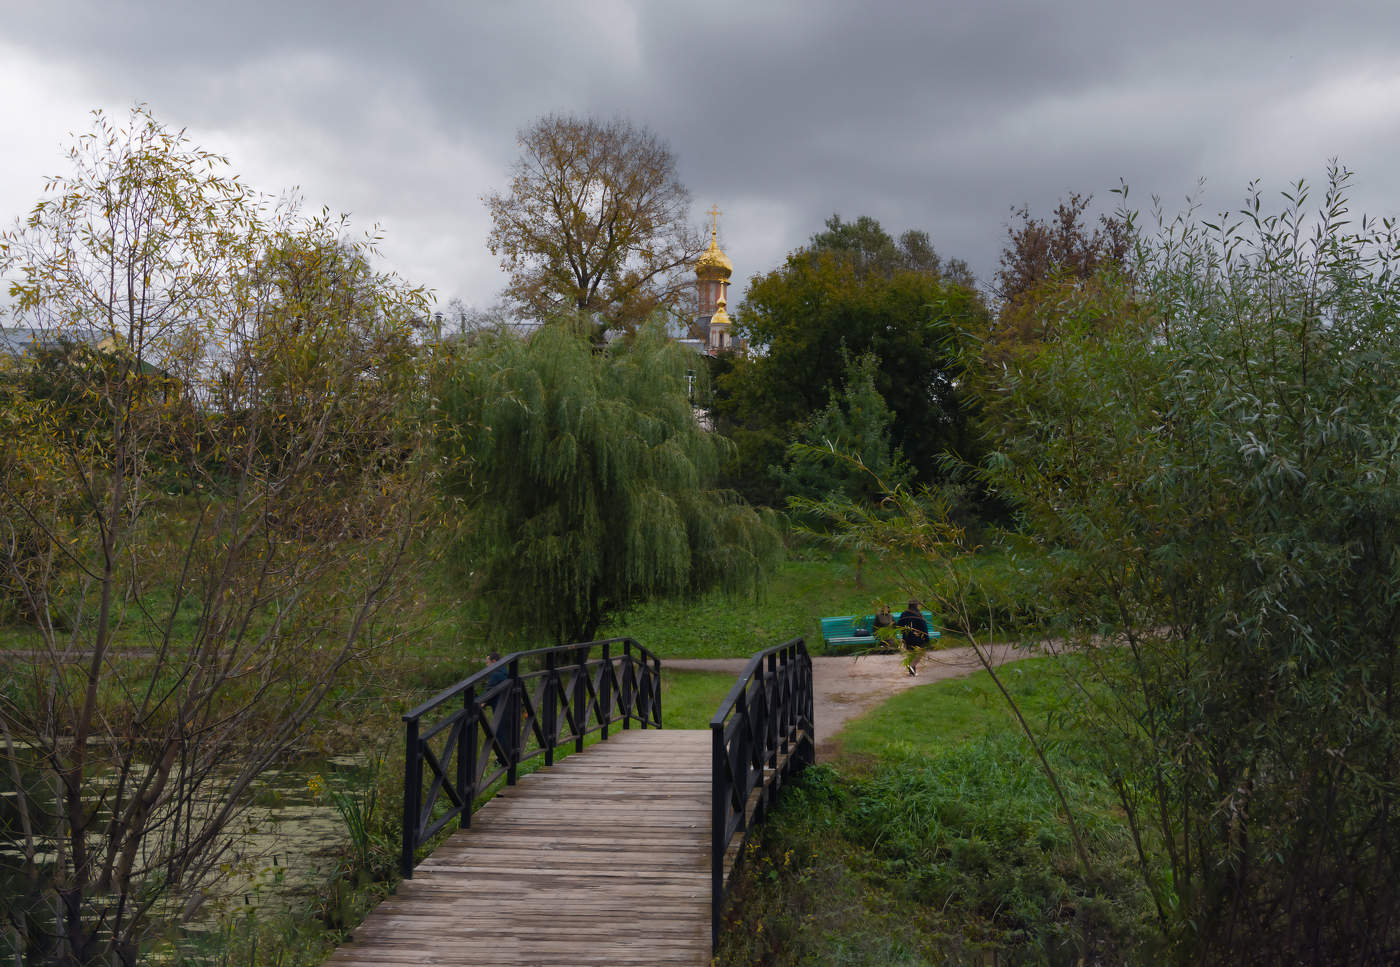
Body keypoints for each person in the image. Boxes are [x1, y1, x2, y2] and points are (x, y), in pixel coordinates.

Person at [896, 600, 929, 676]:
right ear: (916, 606)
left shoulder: (904, 614)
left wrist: (904, 633)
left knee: (911, 654)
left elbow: (898, 625)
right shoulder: (918, 615)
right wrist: (927, 639)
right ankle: (911, 665)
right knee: (921, 653)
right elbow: (924, 628)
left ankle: (912, 673)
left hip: (907, 638)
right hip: (917, 638)